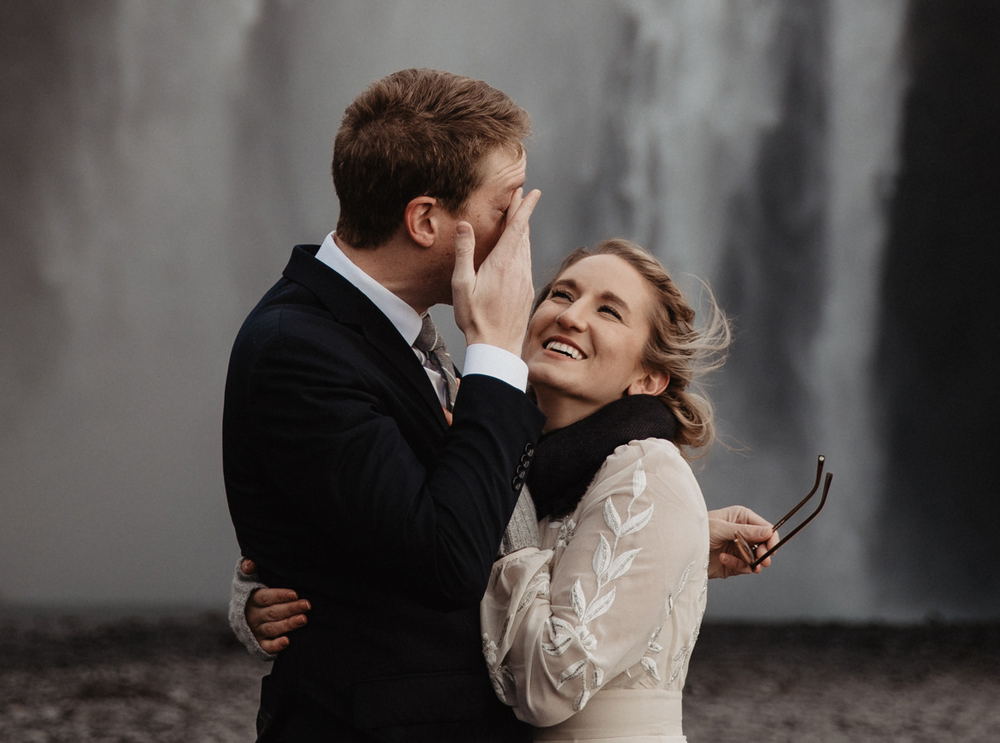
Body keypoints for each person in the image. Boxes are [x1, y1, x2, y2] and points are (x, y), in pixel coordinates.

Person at [222, 70, 776, 743]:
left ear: (650, 375)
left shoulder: (413, 347)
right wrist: (494, 352)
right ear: (426, 220)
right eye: (506, 204)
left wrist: (662, 535)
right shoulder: (305, 348)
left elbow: (419, 506)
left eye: (607, 309)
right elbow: (448, 548)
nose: (518, 231)